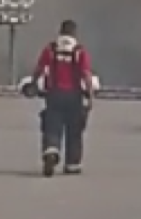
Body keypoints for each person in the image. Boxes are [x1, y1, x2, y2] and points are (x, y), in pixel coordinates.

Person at [31, 19, 94, 177]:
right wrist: (91, 95)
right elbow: (86, 75)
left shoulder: (51, 49)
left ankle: (51, 150)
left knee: (52, 125)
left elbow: (39, 68)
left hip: (54, 94)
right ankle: (72, 164)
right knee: (74, 131)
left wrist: (33, 83)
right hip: (74, 96)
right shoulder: (80, 51)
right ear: (74, 33)